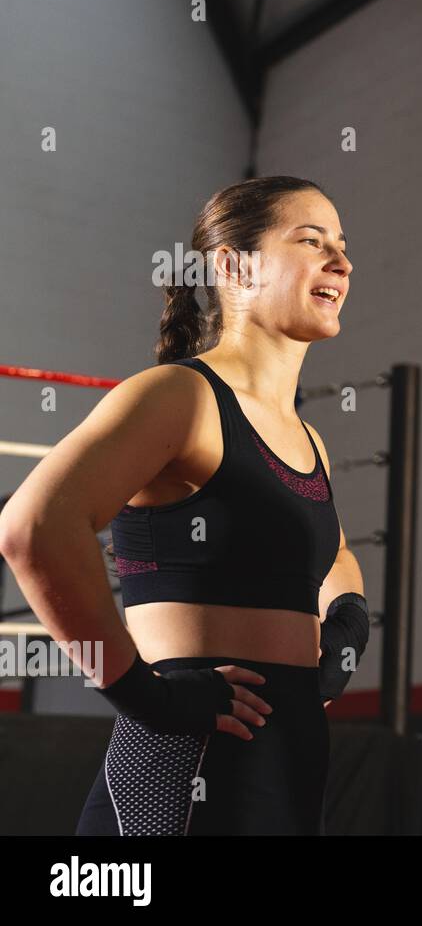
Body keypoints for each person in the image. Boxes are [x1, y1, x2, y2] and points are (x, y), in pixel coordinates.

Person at [0, 176, 371, 835]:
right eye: (312, 242)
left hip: (288, 761)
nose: (340, 261)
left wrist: (346, 625)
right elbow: (33, 527)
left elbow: (331, 549)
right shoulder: (182, 397)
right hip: (192, 758)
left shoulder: (306, 435)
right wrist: (143, 693)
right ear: (233, 265)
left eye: (341, 246)